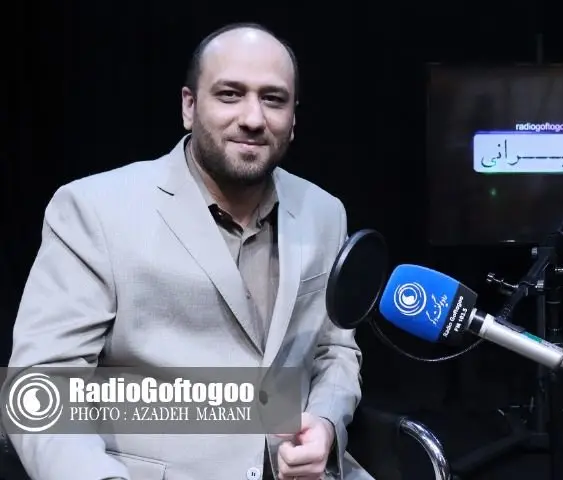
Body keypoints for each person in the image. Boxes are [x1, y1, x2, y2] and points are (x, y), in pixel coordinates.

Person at [4, 23, 371, 480]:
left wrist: (326, 423)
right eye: (230, 95)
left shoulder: (324, 212)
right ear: (189, 106)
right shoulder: (94, 209)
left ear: (293, 119)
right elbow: (40, 387)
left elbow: (335, 350)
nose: (253, 118)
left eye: (273, 99)